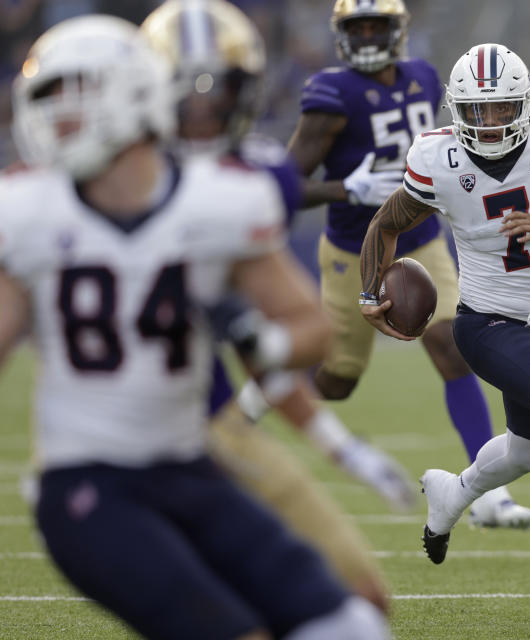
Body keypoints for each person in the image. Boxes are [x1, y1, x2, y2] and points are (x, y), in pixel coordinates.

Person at [0, 15, 389, 639]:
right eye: (49, 102)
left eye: (75, 100)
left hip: (190, 466)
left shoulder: (219, 201)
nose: (59, 121)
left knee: (352, 624)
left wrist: (263, 343)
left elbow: (311, 328)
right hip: (90, 483)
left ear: (135, 96)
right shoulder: (29, 212)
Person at [140, 0, 407, 612]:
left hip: (214, 427)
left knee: (363, 597)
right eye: (186, 94)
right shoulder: (82, 194)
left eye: (218, 92)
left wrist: (341, 446)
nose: (202, 112)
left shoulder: (248, 186)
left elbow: (282, 338)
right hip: (117, 450)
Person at [359, 43, 530, 593]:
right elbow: (385, 223)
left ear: (526, 105)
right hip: (485, 318)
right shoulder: (437, 158)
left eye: (501, 109)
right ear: (456, 111)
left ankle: (454, 493)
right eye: (477, 111)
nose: (489, 125)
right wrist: (370, 293)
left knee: (527, 452)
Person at [286, 0, 530, 528]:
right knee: (337, 382)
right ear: (343, 34)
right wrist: (344, 187)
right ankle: (273, 376)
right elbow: (281, 185)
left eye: (379, 24)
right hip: (352, 251)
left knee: (449, 346)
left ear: (399, 29)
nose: (370, 34)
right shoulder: (331, 96)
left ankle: (484, 491)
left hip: (420, 239)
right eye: (360, 26)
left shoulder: (424, 77)